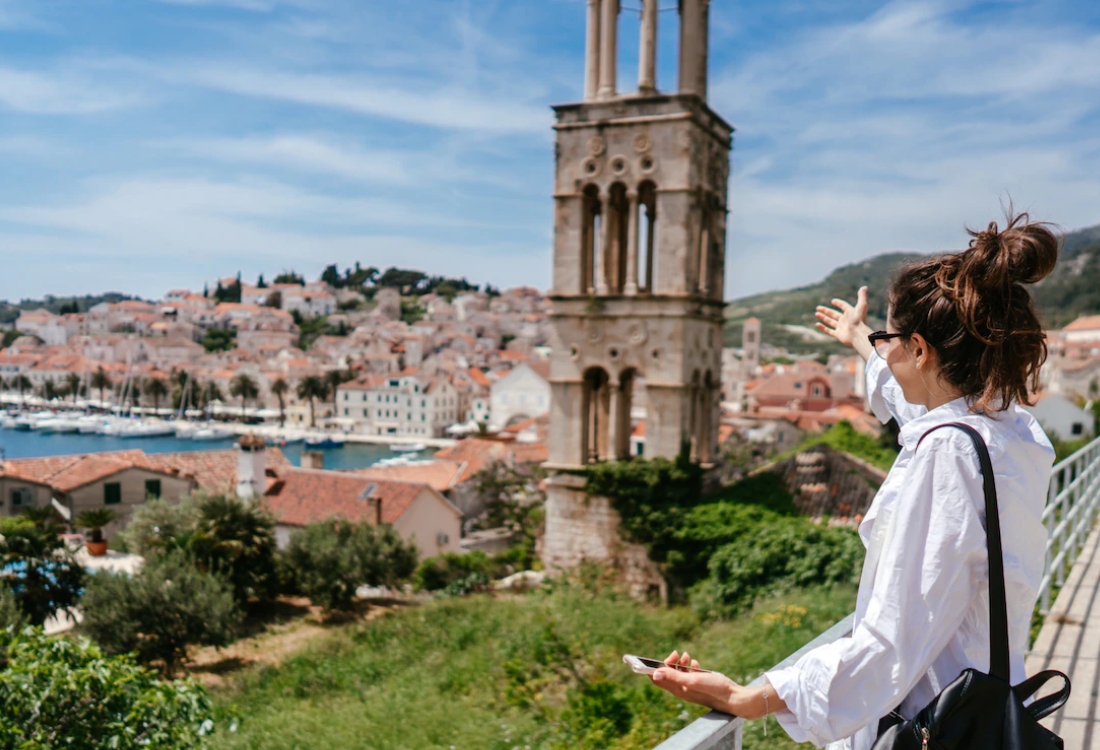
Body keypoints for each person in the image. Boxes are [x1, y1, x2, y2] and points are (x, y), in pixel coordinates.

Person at [649, 213, 1060, 750]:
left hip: (936, 720)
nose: (884, 350)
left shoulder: (949, 454)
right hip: (987, 699)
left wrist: (752, 697)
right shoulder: (1009, 431)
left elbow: (892, 640)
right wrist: (862, 340)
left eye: (890, 340)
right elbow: (916, 402)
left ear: (920, 349)